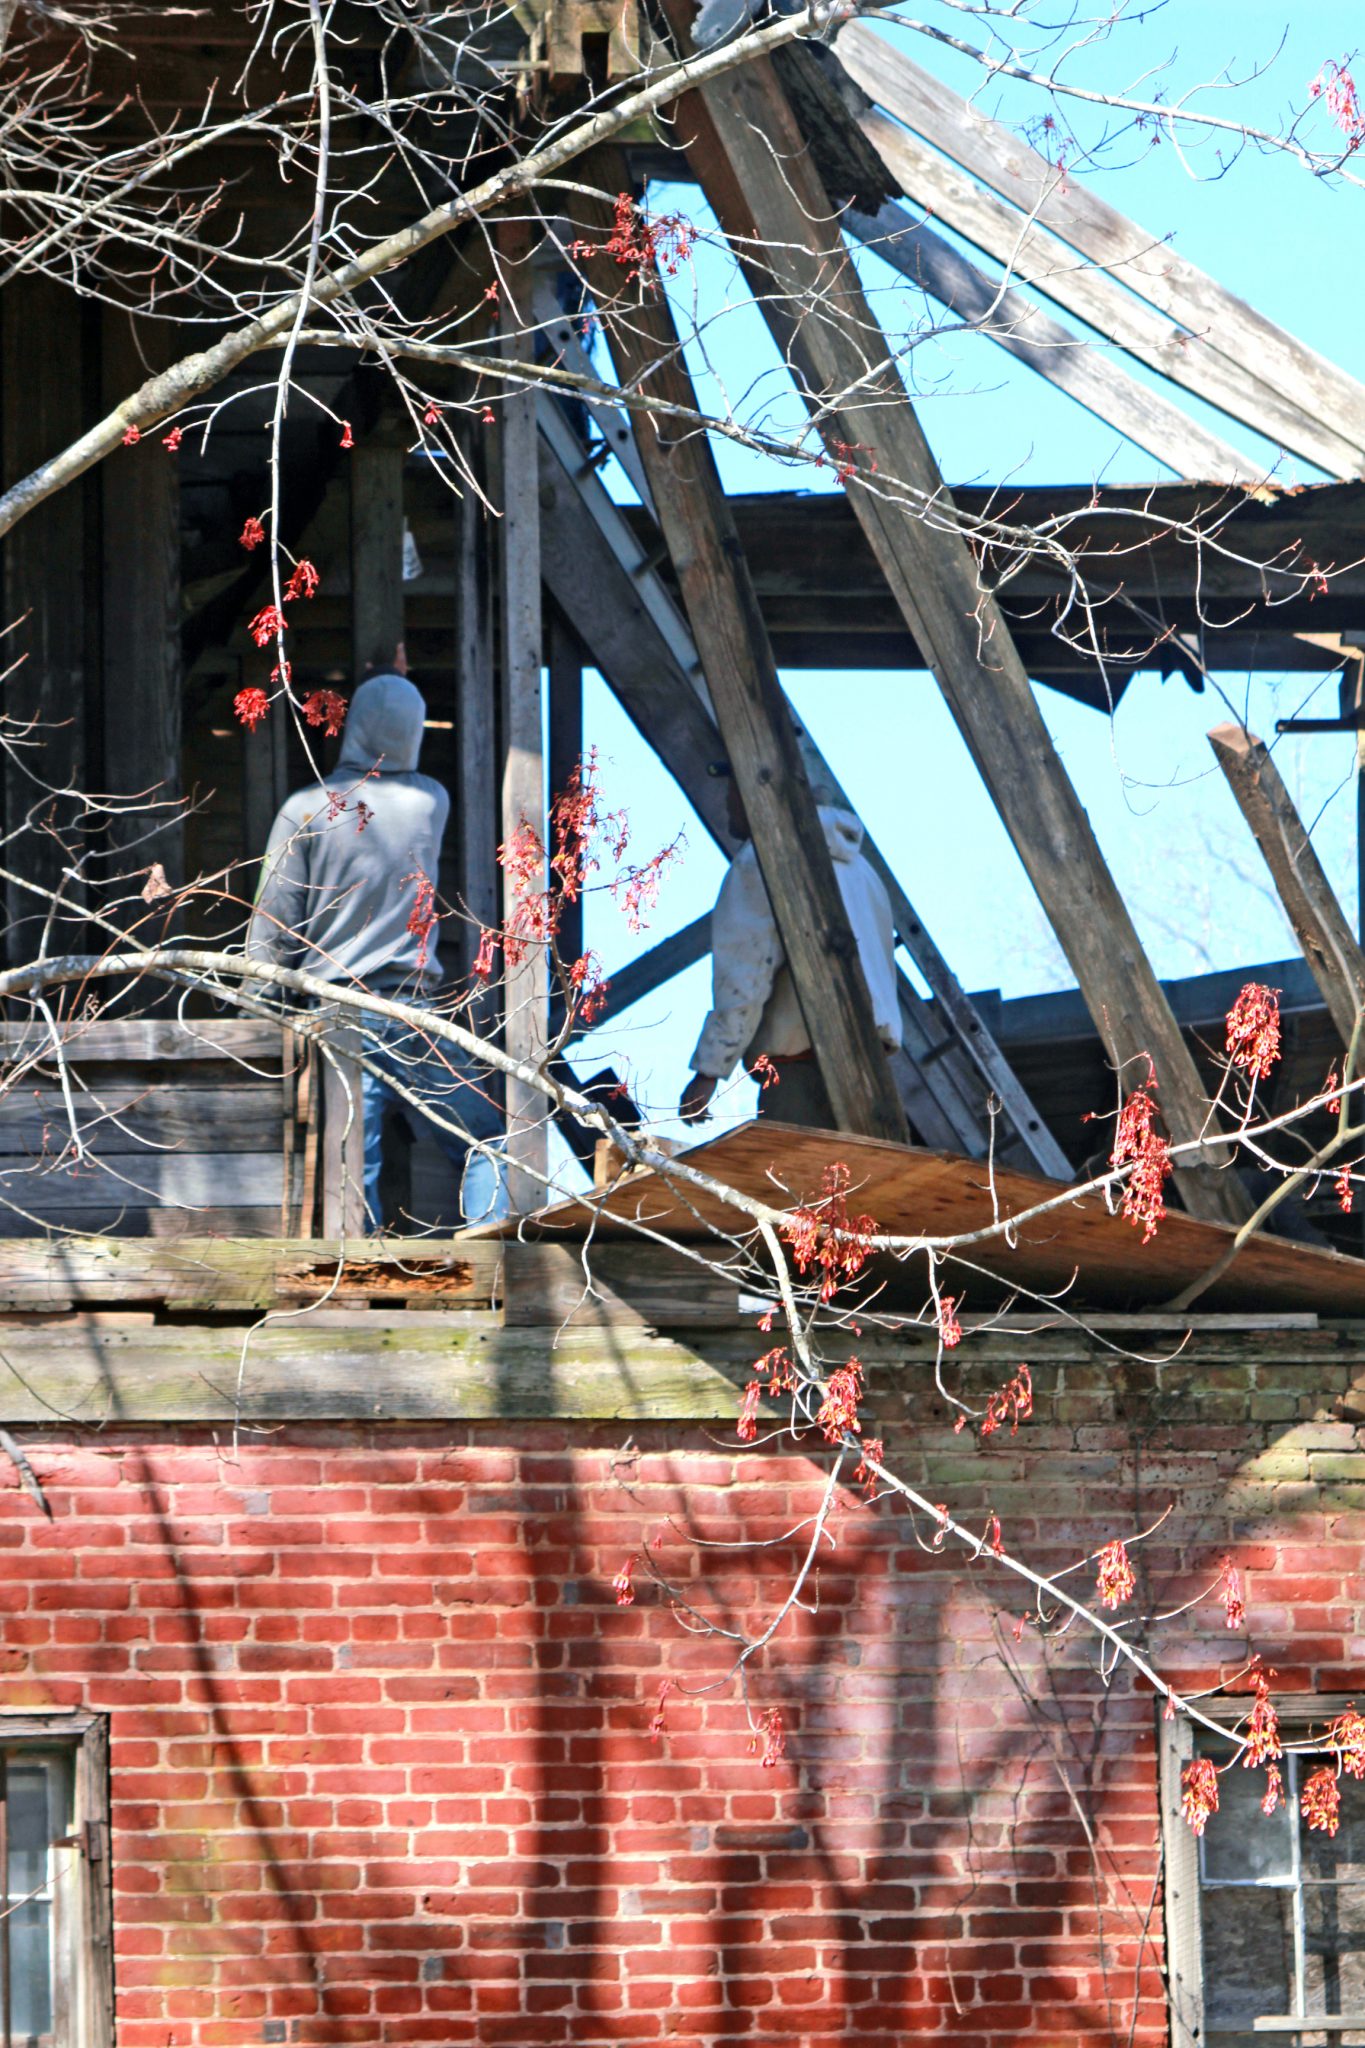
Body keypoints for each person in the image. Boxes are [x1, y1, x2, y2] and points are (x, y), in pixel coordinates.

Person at [246, 669, 502, 1227]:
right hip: (413, 1012)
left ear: (352, 726)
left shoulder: (304, 809)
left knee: (350, 1167)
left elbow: (274, 924)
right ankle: (495, 1255)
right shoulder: (431, 802)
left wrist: (255, 1010)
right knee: (488, 1142)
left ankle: (352, 1282)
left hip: (334, 1012)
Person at [678, 764, 902, 1131]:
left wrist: (709, 1071)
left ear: (757, 790)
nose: (727, 800)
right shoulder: (862, 871)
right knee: (862, 1184)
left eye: (733, 786)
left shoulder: (763, 861)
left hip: (801, 1074)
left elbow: (747, 975)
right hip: (873, 1074)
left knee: (794, 1186)